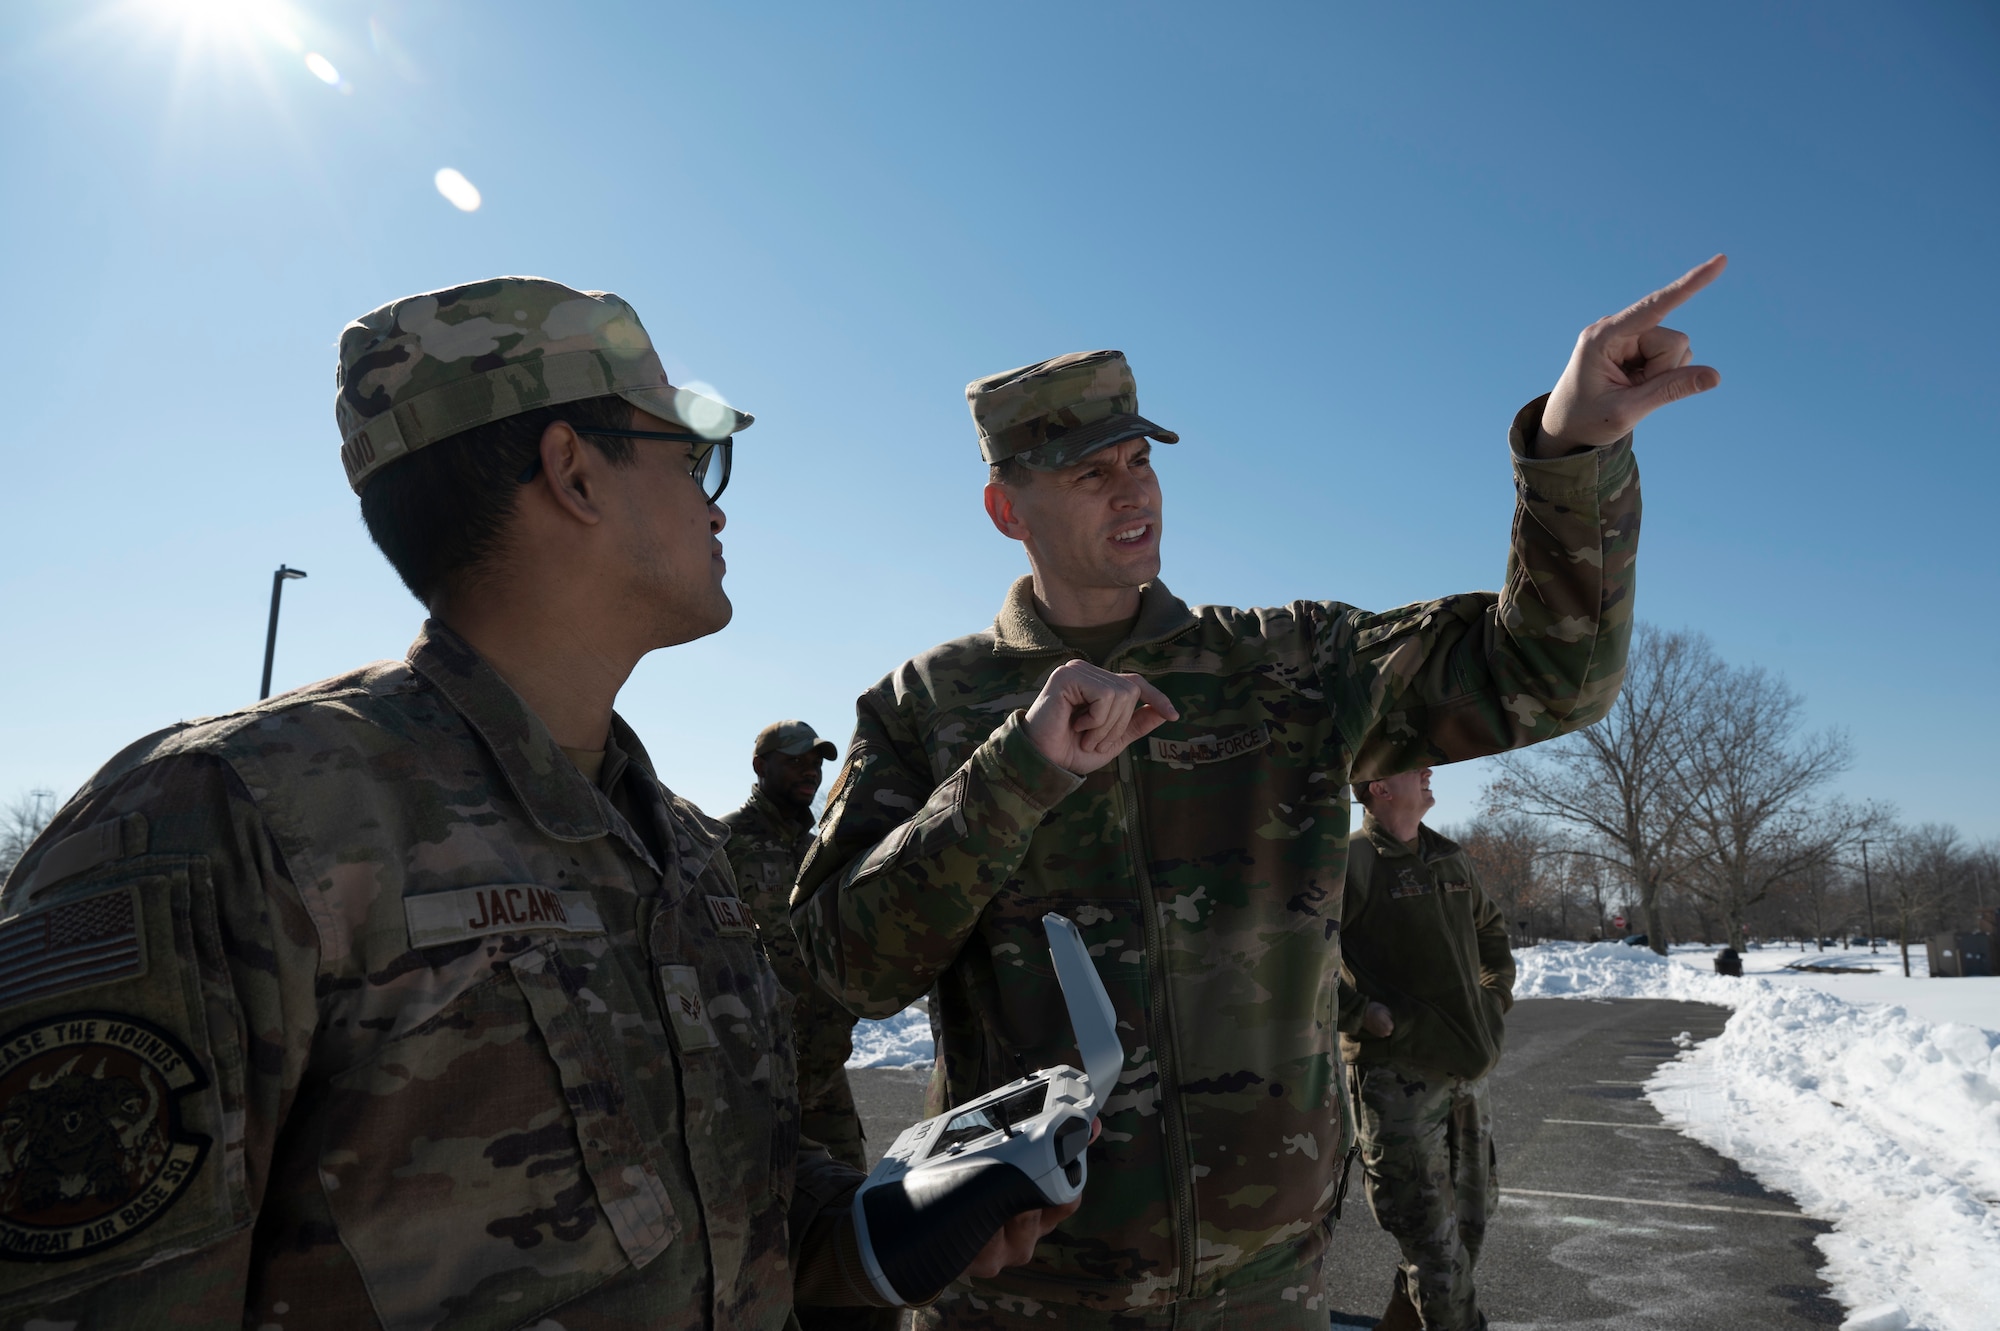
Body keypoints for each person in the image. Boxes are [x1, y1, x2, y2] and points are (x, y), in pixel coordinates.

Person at [0, 277, 1066, 1329]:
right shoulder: (225, 823)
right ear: (573, 472)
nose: (716, 498)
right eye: (691, 453)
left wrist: (896, 1223)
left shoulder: (677, 846)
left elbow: (723, 1212)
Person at [792, 258, 1727, 1327]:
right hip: (1019, 1294)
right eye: (1089, 471)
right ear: (1009, 508)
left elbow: (1549, 674)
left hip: (1266, 1286)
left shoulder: (1284, 666)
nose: (1132, 487)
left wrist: (1571, 454)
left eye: (1139, 459)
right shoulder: (928, 705)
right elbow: (844, 962)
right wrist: (1015, 775)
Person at [1341, 767, 1513, 1331]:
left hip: (1466, 1074)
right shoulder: (1354, 861)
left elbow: (1492, 931)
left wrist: (1493, 1000)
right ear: (1377, 787)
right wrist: (1359, 1013)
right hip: (1399, 1080)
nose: (1428, 770)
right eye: (1411, 764)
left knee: (1468, 1230)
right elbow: (1300, 950)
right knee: (1432, 1244)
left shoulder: (1450, 859)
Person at [721, 720, 870, 1170]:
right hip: (763, 1069)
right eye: (795, 762)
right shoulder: (722, 842)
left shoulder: (816, 849)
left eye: (814, 763)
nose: (809, 772)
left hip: (825, 1061)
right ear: (760, 766)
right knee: (769, 1202)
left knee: (852, 1197)